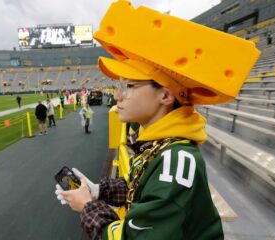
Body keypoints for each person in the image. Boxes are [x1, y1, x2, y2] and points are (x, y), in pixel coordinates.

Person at [55, 1, 260, 240]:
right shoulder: (162, 145)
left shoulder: (173, 160)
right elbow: (140, 186)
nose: (118, 95)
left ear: (164, 95)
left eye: (130, 86)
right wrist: (97, 190)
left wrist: (87, 205)